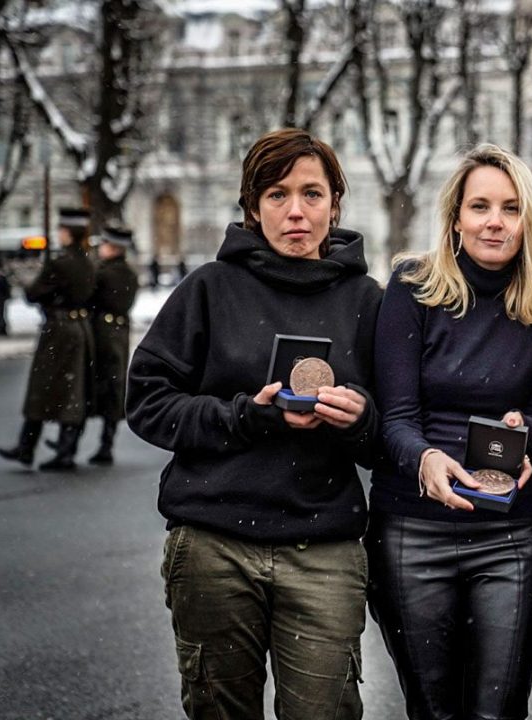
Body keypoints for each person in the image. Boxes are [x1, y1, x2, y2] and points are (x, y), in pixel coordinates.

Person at [125, 129, 380, 719]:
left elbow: (392, 431)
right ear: (251, 206)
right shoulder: (209, 289)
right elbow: (147, 401)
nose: (296, 211)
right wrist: (245, 416)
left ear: (335, 204)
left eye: (312, 194)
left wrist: (359, 418)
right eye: (276, 194)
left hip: (324, 549)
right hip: (215, 543)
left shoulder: (367, 300)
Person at [368, 143, 532, 720]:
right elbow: (395, 418)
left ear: (529, 219)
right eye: (480, 206)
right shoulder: (414, 286)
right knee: (434, 710)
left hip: (512, 534)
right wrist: (424, 459)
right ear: (455, 217)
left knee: (499, 710)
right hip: (413, 531)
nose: (495, 222)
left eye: (510, 207)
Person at [0, 208, 96, 471]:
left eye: (61, 230)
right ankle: (66, 448)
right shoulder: (88, 262)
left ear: (67, 233)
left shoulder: (60, 263)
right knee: (74, 391)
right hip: (80, 328)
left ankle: (27, 447)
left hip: (58, 330)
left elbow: (33, 293)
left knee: (41, 389)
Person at [85, 226, 139, 464]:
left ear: (115, 248)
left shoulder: (104, 272)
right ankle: (106, 442)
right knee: (113, 385)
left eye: (105, 244)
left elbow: (91, 298)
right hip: (119, 332)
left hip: (102, 333)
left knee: (104, 385)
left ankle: (100, 445)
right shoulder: (128, 273)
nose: (101, 249)